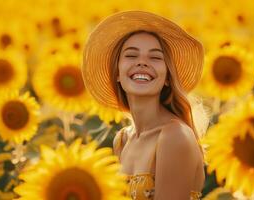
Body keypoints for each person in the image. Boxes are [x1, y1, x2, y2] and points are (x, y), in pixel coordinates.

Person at [82, 10, 206, 200]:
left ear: (167, 78)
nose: (142, 63)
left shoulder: (174, 136)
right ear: (116, 73)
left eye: (155, 57)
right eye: (131, 56)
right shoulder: (122, 140)